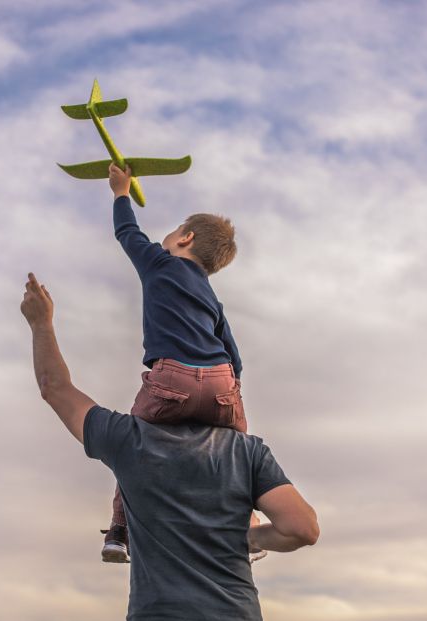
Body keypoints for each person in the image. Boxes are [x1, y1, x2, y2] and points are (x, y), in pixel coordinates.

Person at [20, 272, 320, 621]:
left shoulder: (127, 440)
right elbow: (302, 528)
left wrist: (41, 323)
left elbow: (54, 387)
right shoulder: (246, 452)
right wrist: (251, 538)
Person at [103, 162, 249, 562]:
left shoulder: (159, 262)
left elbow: (127, 233)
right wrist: (228, 394)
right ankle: (247, 527)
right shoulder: (211, 297)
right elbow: (233, 353)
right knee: (239, 450)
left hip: (172, 380)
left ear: (185, 238)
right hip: (221, 383)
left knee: (131, 443)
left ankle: (119, 531)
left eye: (170, 232)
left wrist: (120, 192)